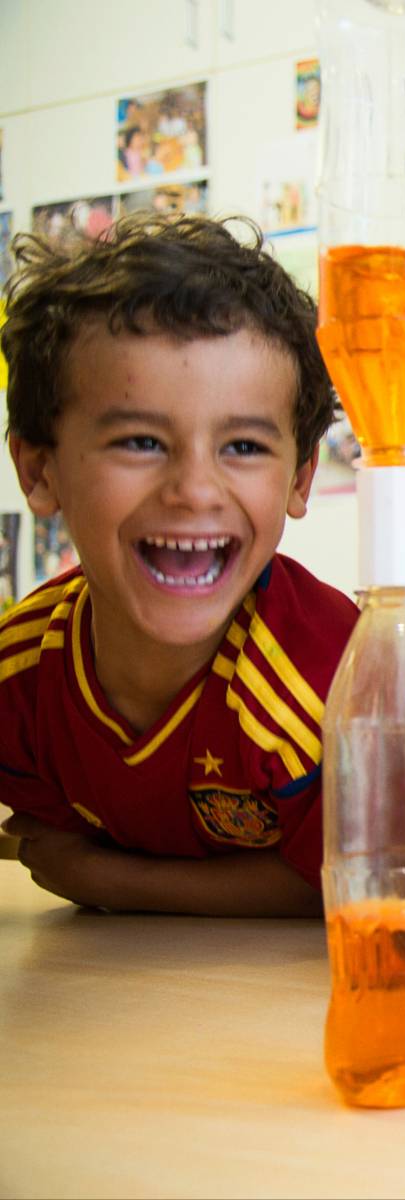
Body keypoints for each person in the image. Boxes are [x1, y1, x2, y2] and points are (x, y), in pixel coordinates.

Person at [0, 213, 355, 916]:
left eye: (245, 447)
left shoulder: (332, 684)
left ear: (300, 479)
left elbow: (345, 884)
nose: (194, 488)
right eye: (139, 440)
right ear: (39, 471)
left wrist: (103, 882)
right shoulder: (19, 680)